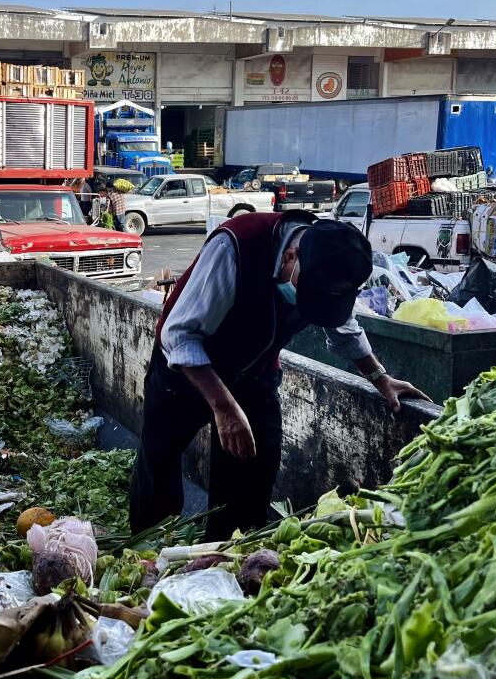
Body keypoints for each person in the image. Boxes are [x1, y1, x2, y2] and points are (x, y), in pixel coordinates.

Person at [129, 211, 430, 541]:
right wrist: (224, 407)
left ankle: (227, 552)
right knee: (160, 459)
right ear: (291, 255)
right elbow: (180, 335)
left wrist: (380, 378)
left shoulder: (330, 259)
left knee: (253, 470)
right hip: (186, 368)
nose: (305, 306)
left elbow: (343, 331)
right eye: (305, 296)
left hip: (254, 374)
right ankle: (149, 551)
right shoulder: (235, 246)